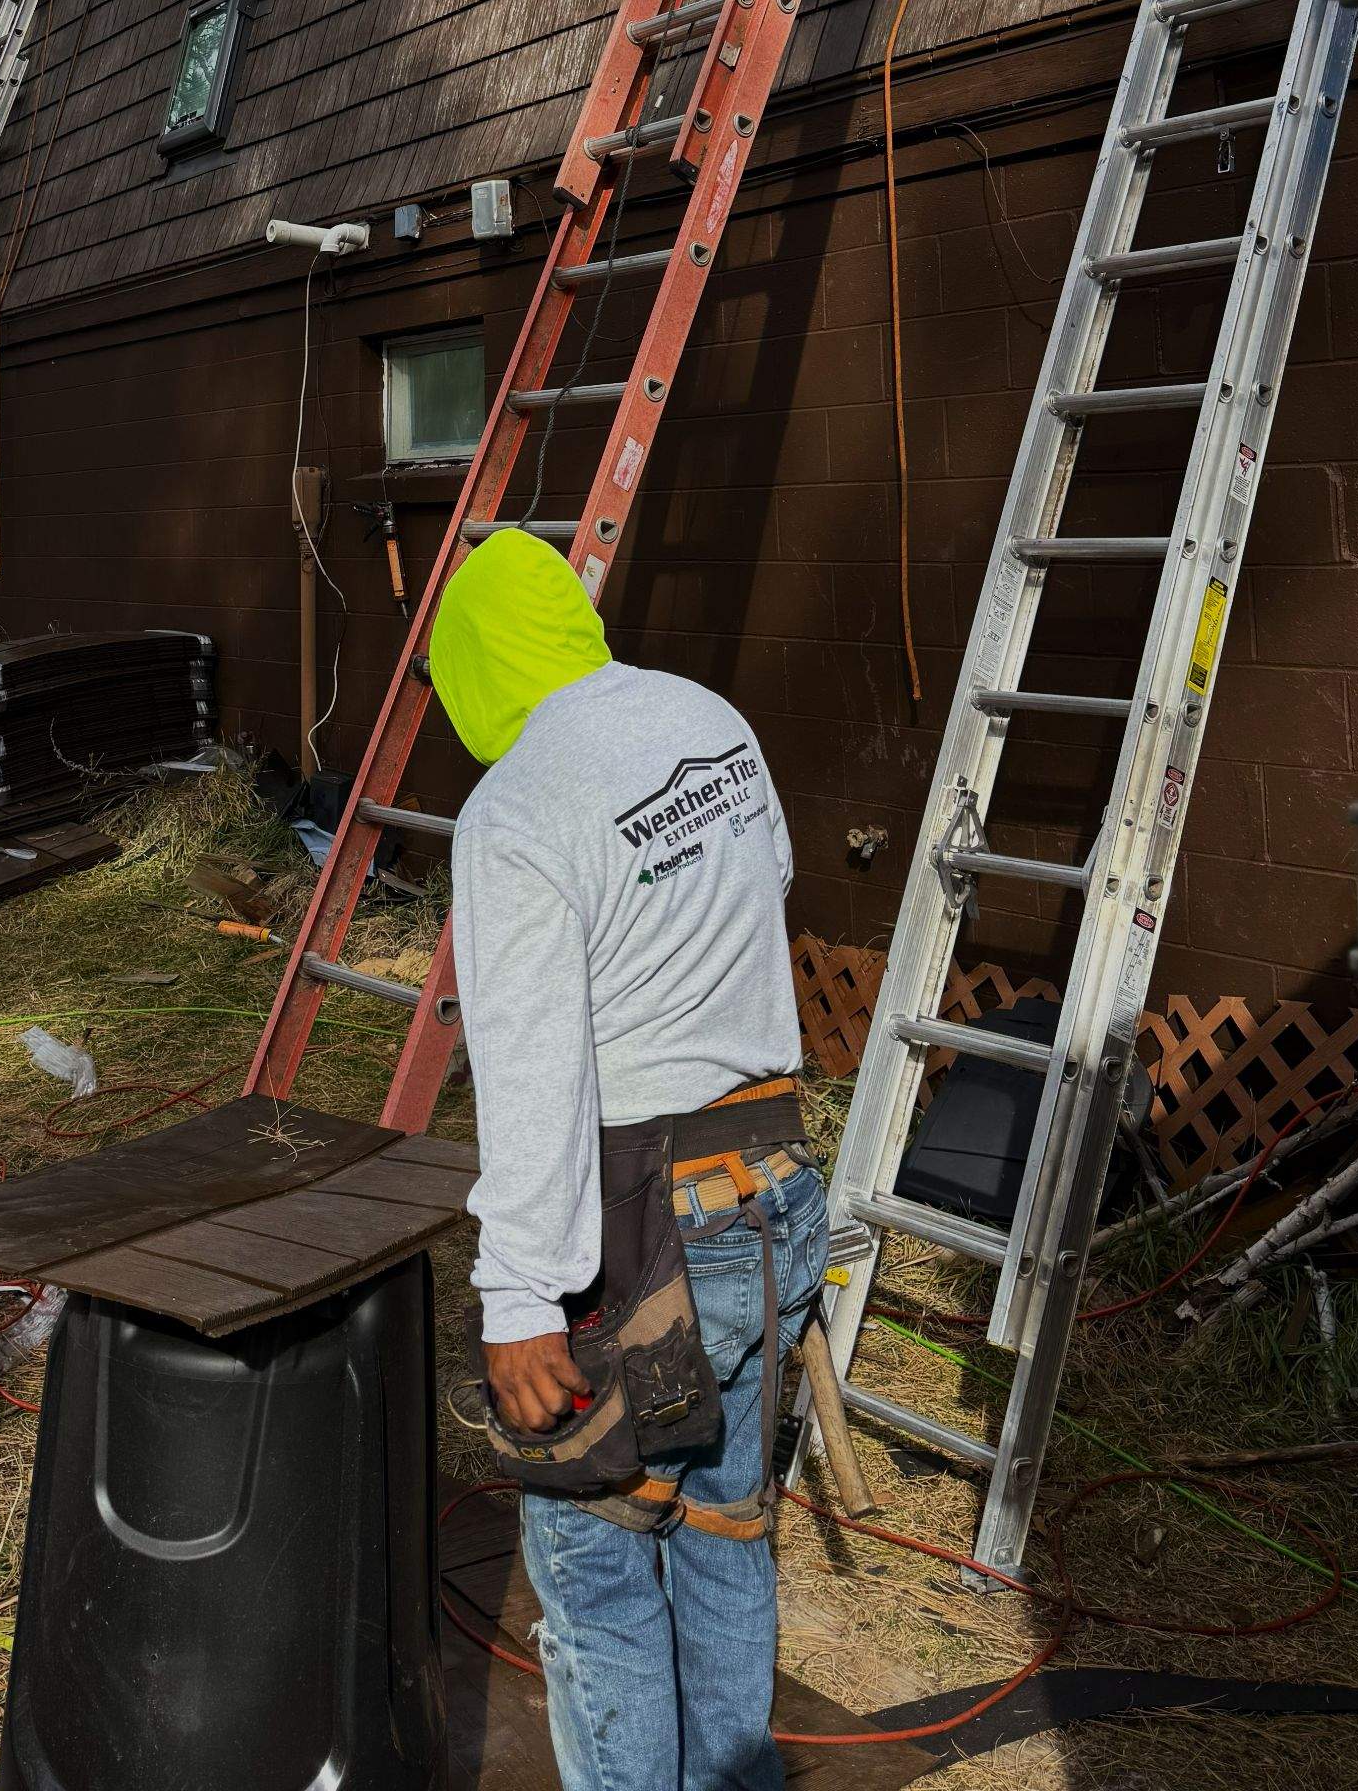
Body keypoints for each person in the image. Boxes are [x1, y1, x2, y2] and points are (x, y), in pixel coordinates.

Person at [432, 528, 824, 1791]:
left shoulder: (518, 807)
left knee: (598, 1578)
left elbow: (537, 1070)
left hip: (650, 1229)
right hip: (772, 1192)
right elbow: (770, 880)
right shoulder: (709, 720)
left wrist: (518, 1300)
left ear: (475, 672)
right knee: (723, 1538)